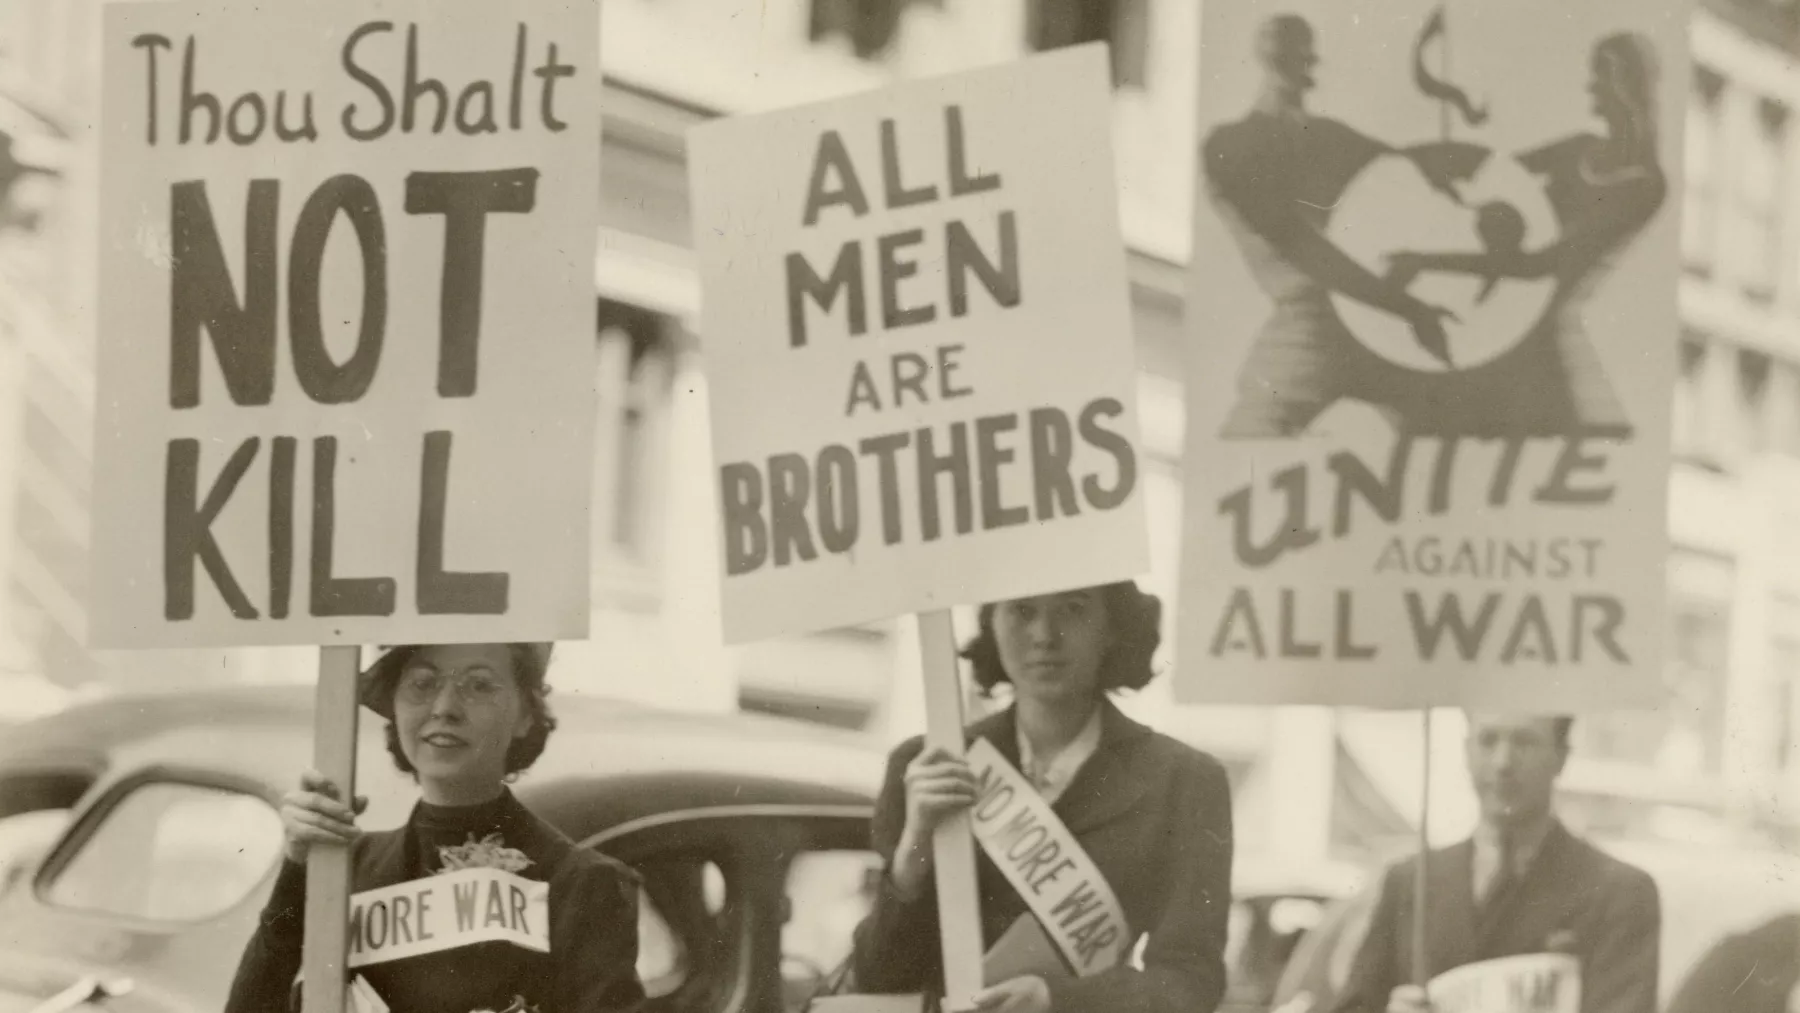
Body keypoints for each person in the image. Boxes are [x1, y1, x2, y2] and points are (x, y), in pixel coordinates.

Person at [848, 582, 1236, 1013]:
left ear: (1113, 626)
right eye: (1022, 610)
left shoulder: (1184, 781)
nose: (1044, 635)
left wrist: (1060, 1002)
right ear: (992, 622)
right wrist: (912, 854)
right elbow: (879, 976)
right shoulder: (926, 765)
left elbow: (1192, 980)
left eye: (1073, 609)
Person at [224, 643, 646, 1013]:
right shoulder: (344, 868)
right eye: (422, 684)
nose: (445, 707)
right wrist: (300, 864)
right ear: (394, 706)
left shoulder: (582, 883)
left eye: (480, 685)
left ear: (525, 715)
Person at [1330, 714, 1660, 1013]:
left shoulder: (1618, 892)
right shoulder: (1409, 882)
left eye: (1524, 742)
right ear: (1466, 751)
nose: (1503, 762)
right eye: (1488, 740)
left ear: (1561, 757)